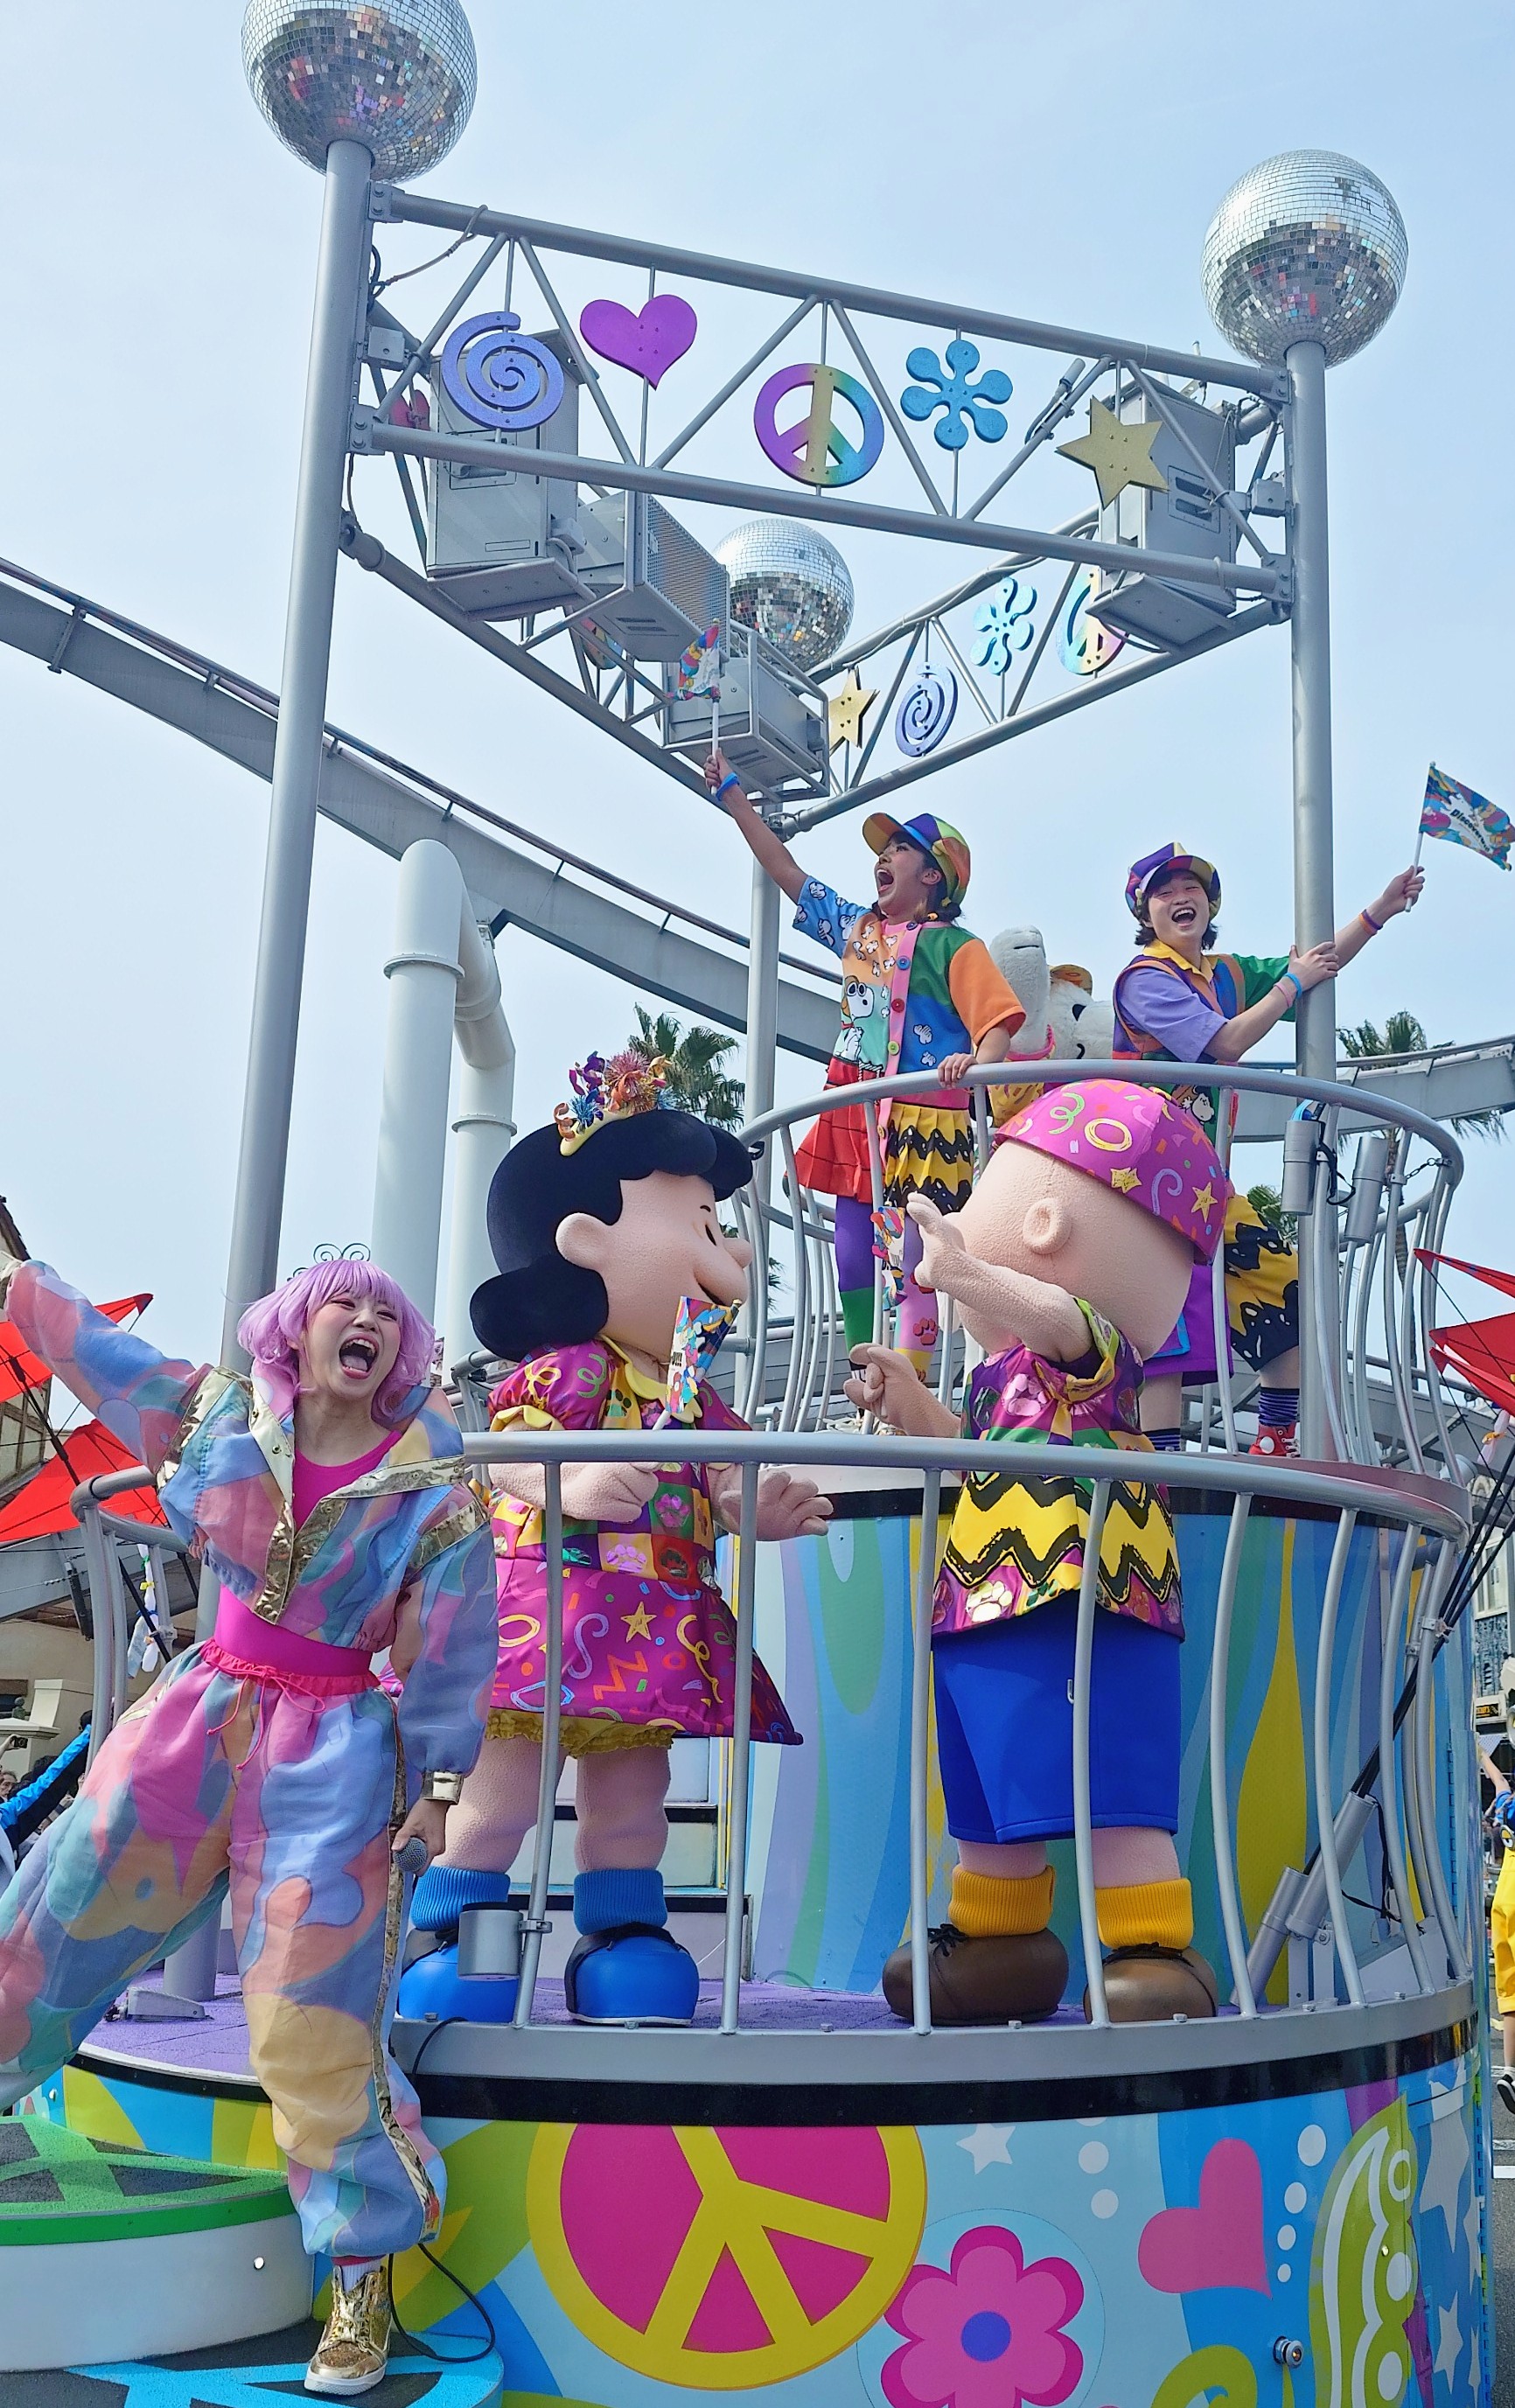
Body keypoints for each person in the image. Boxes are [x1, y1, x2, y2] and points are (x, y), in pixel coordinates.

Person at [0, 1250, 497, 2398]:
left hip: (334, 1754)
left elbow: (453, 1648)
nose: (367, 1320)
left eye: (387, 1313)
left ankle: (361, 2280)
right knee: (56, 1914)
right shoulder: (222, 1417)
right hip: (197, 1718)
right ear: (297, 1331)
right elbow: (105, 1357)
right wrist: (20, 1285)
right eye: (343, 1303)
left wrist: (437, 1787)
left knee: (309, 2015)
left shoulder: (433, 1488)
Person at [402, 1048, 830, 2028]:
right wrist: (572, 1483)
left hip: (653, 1627)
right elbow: (503, 1457)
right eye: (702, 1227)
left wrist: (753, 1508)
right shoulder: (566, 1372)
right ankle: (453, 1934)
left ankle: (624, 1935)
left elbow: (725, 1477)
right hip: (546, 1620)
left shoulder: (695, 1397)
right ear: (587, 1240)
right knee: (502, 1794)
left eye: (721, 1227)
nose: (729, 1253)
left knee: (633, 1798)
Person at [847, 1080, 1228, 2025]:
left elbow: (1060, 1318)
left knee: (1110, 1773)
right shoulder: (998, 1375)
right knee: (987, 1771)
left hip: (1087, 1590)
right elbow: (970, 1448)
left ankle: (1148, 1944)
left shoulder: (1094, 1344)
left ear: (1044, 1223)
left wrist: (963, 1272)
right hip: (983, 1600)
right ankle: (998, 1938)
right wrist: (908, 1400)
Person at [705, 752, 1025, 1375]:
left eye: (900, 849)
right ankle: (865, 1373)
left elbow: (996, 1025)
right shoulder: (859, 931)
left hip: (923, 1118)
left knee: (913, 1258)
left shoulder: (957, 946)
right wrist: (736, 799)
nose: (884, 858)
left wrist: (975, 1066)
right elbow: (785, 869)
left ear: (933, 875)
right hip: (854, 1107)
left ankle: (910, 1379)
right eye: (884, 850)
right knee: (850, 1253)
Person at [1113, 844, 1424, 1456]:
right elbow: (1227, 1042)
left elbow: (1315, 965)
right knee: (1164, 1324)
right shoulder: (1145, 978)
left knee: (1287, 1287)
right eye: (1164, 891)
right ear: (1145, 914)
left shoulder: (1224, 974)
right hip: (1144, 1180)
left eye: (1191, 887)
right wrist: (1290, 985)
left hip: (1202, 1181)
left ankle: (1275, 1441)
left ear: (1210, 903)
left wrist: (1379, 911)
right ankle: (1160, 1471)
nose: (1180, 897)